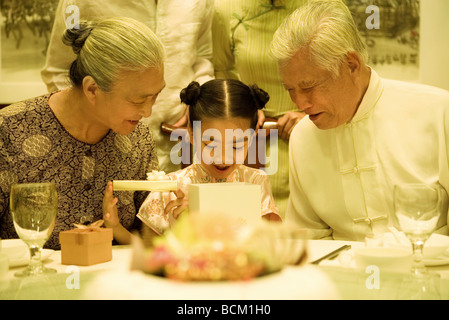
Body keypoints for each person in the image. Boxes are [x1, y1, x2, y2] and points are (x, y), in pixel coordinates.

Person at [270, 0, 449, 240]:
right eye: (290, 90)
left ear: (351, 65)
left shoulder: (437, 112)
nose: (300, 104)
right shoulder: (303, 136)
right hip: (341, 274)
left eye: (308, 86)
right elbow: (308, 240)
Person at [0, 17, 166, 249]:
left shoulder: (138, 138)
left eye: (155, 96)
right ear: (92, 89)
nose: (148, 111)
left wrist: (174, 216)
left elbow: (149, 243)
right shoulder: (11, 130)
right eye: (137, 100)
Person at [41, 0, 215, 174]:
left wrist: (199, 102)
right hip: (103, 148)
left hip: (178, 141)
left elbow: (202, 55)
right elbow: (59, 69)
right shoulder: (79, 3)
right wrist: (91, 130)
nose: (147, 110)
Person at [136, 79, 281, 235]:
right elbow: (150, 249)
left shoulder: (256, 181)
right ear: (191, 133)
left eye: (236, 146)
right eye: (211, 144)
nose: (223, 157)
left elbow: (267, 244)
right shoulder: (170, 189)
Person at [212, 0, 307, 220]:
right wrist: (243, 107)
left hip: (313, 137)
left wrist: (310, 117)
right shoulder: (225, 7)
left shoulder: (326, 5)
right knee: (251, 232)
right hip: (249, 142)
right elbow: (222, 69)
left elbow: (338, 76)